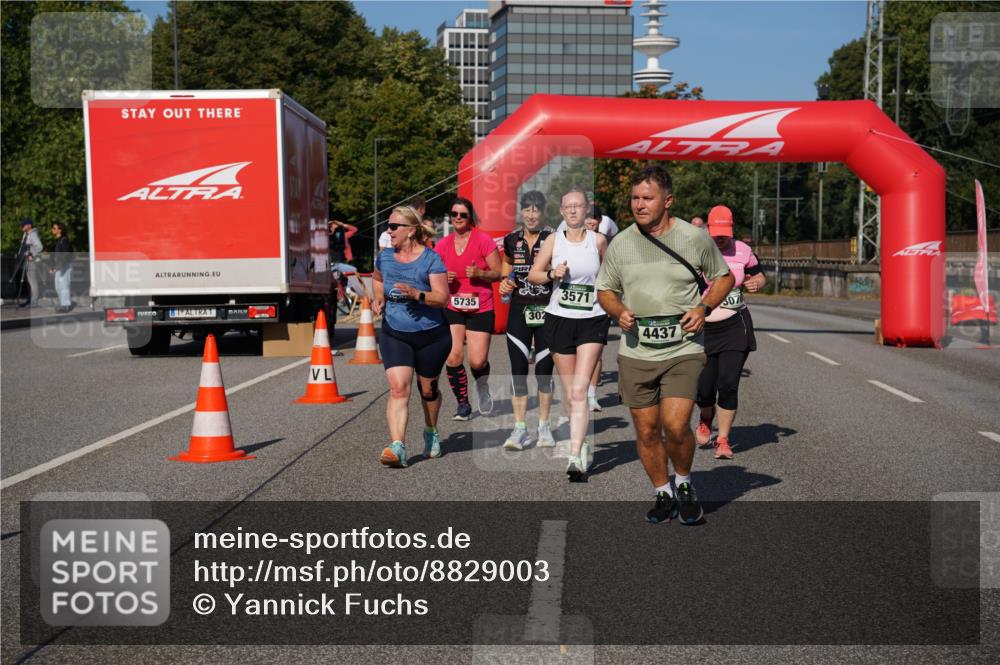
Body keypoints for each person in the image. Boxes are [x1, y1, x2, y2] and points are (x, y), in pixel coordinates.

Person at [596, 166, 733, 524]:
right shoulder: (621, 243)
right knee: (645, 430)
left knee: (675, 425)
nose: (639, 205)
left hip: (682, 348)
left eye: (647, 198)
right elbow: (605, 289)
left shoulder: (694, 238)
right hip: (636, 349)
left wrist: (703, 308)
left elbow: (724, 277)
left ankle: (684, 483)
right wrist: (618, 311)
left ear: (667, 200)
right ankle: (663, 491)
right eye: (635, 198)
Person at [528, 188, 609, 481]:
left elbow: (613, 276)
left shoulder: (598, 241)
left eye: (578, 206)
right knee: (568, 392)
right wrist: (552, 274)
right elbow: (533, 274)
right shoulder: (553, 240)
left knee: (579, 390)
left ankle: (575, 454)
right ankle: (580, 437)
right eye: (568, 207)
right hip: (559, 318)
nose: (573, 211)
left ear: (587, 209)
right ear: (561, 212)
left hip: (592, 319)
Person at [371, 206, 451, 468]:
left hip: (432, 335)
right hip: (396, 333)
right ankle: (398, 446)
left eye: (394, 226)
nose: (389, 231)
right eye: (388, 225)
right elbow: (377, 279)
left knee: (428, 389)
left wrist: (417, 294)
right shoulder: (384, 257)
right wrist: (379, 297)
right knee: (398, 388)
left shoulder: (431, 259)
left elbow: (442, 298)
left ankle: (431, 430)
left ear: (411, 231)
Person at [695, 205, 766, 460]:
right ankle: (705, 417)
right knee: (704, 389)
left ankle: (723, 439)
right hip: (704, 328)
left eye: (725, 232)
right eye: (716, 232)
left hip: (736, 325)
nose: (721, 237)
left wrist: (758, 282)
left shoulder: (744, 250)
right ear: (708, 229)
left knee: (728, 384)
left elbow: (759, 274)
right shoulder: (697, 250)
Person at [435, 197, 502, 420]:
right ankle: (463, 403)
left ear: (470, 217)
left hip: (480, 305)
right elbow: (432, 276)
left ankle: (483, 389)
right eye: (454, 214)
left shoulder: (483, 241)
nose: (458, 218)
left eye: (463, 215)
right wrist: (444, 277)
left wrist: (481, 274)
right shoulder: (442, 245)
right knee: (453, 357)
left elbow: (499, 271)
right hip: (453, 305)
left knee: (477, 361)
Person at [499, 190, 556, 450]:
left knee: (544, 372)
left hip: (548, 311)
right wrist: (505, 283)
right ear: (521, 212)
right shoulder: (511, 240)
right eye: (527, 210)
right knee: (518, 371)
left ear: (543, 213)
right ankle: (519, 427)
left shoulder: (554, 238)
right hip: (519, 312)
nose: (531, 215)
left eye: (536, 210)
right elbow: (506, 268)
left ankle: (544, 426)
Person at [329, 219, 366, 298]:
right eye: (335, 228)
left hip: (342, 262)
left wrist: (342, 224)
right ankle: (339, 296)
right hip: (332, 264)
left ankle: (348, 289)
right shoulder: (328, 237)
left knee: (352, 271)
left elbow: (354, 229)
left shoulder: (344, 236)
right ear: (331, 229)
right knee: (336, 281)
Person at [16, 218, 43, 307]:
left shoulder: (33, 234)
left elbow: (39, 247)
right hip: (25, 261)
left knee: (33, 282)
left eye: (23, 225)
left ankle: (34, 302)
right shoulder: (26, 234)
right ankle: (30, 300)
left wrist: (32, 255)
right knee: (29, 282)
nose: (22, 227)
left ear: (29, 225)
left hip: (32, 262)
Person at [49, 222, 74, 312]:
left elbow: (66, 255)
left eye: (54, 228)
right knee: (57, 286)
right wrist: (52, 266)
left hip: (65, 266)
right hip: (58, 267)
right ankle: (62, 304)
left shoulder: (64, 240)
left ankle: (65, 305)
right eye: (52, 228)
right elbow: (52, 255)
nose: (52, 229)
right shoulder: (56, 241)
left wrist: (59, 265)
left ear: (60, 230)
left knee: (64, 286)